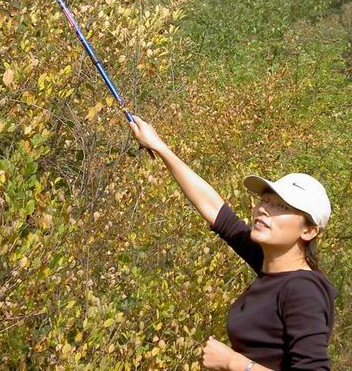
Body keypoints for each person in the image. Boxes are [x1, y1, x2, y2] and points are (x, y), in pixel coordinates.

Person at [128, 115, 338, 371]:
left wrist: (234, 362)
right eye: (265, 200)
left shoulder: (302, 290)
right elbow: (215, 209)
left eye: (281, 207)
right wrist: (160, 147)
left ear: (309, 231)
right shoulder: (270, 264)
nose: (264, 209)